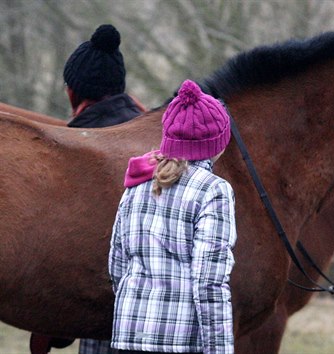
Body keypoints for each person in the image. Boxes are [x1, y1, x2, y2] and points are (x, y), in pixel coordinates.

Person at [29, 23, 146, 354]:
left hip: (99, 306)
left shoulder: (73, 156)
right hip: (160, 313)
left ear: (73, 93)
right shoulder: (151, 134)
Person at [108, 79, 236, 354]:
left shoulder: (137, 183)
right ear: (217, 144)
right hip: (179, 341)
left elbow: (117, 266)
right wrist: (219, 349)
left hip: (128, 335)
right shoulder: (214, 190)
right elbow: (209, 282)